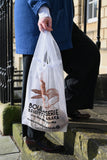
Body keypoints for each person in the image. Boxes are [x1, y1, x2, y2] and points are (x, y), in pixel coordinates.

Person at [14, 0, 100, 152]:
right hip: (37, 13)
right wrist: (41, 9)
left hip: (60, 15)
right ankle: (34, 136)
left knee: (88, 56)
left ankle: (66, 107)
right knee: (39, 77)